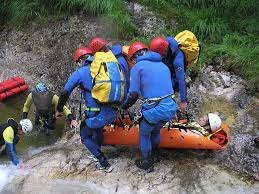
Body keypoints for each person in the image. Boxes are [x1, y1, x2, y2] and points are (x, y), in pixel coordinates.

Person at [55, 46, 117, 172]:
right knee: (97, 128)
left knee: (84, 136)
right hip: (111, 111)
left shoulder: (81, 72)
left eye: (78, 62)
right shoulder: (104, 68)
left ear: (80, 61)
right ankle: (97, 151)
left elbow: (65, 92)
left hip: (96, 113)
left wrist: (60, 108)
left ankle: (104, 163)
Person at [122, 42, 177, 172]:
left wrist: (124, 107)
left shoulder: (138, 67)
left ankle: (147, 161)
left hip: (157, 108)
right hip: (170, 107)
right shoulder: (164, 66)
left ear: (134, 57)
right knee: (156, 130)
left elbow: (133, 94)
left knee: (145, 132)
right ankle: (155, 154)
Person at [150, 36, 187, 112]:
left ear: (164, 51)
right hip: (168, 70)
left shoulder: (178, 59)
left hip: (175, 75)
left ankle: (170, 111)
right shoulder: (164, 47)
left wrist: (183, 101)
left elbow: (181, 80)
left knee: (170, 89)